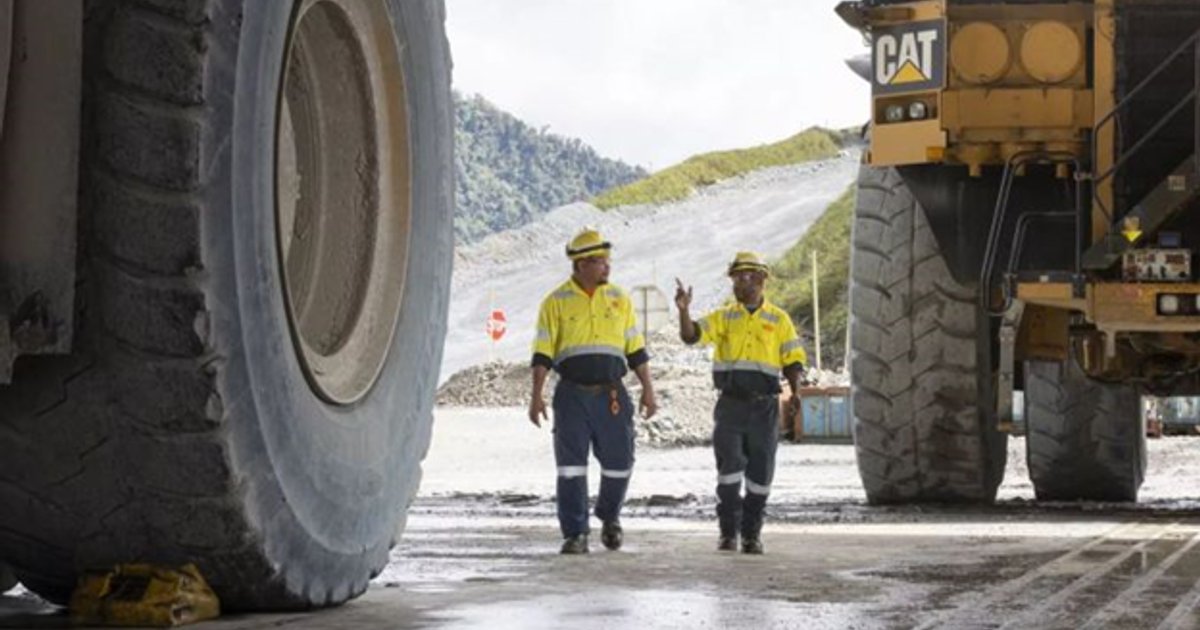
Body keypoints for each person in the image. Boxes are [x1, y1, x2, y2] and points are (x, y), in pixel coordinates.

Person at [529, 227, 658, 555]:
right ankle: (576, 534)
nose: (607, 267)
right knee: (570, 467)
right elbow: (543, 353)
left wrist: (648, 390)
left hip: (611, 395)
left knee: (621, 462)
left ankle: (609, 516)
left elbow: (636, 350)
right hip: (571, 396)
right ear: (580, 265)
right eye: (600, 261)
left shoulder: (619, 299)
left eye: (607, 260)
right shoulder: (554, 303)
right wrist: (536, 395)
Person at [674, 251, 806, 554]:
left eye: (745, 276)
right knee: (729, 472)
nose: (739, 282)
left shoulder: (779, 320)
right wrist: (684, 311)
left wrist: (796, 392)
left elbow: (793, 360)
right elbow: (691, 336)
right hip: (730, 406)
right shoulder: (724, 317)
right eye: (736, 277)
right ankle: (728, 533)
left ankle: (751, 535)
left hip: (765, 408)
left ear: (761, 279)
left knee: (760, 475)